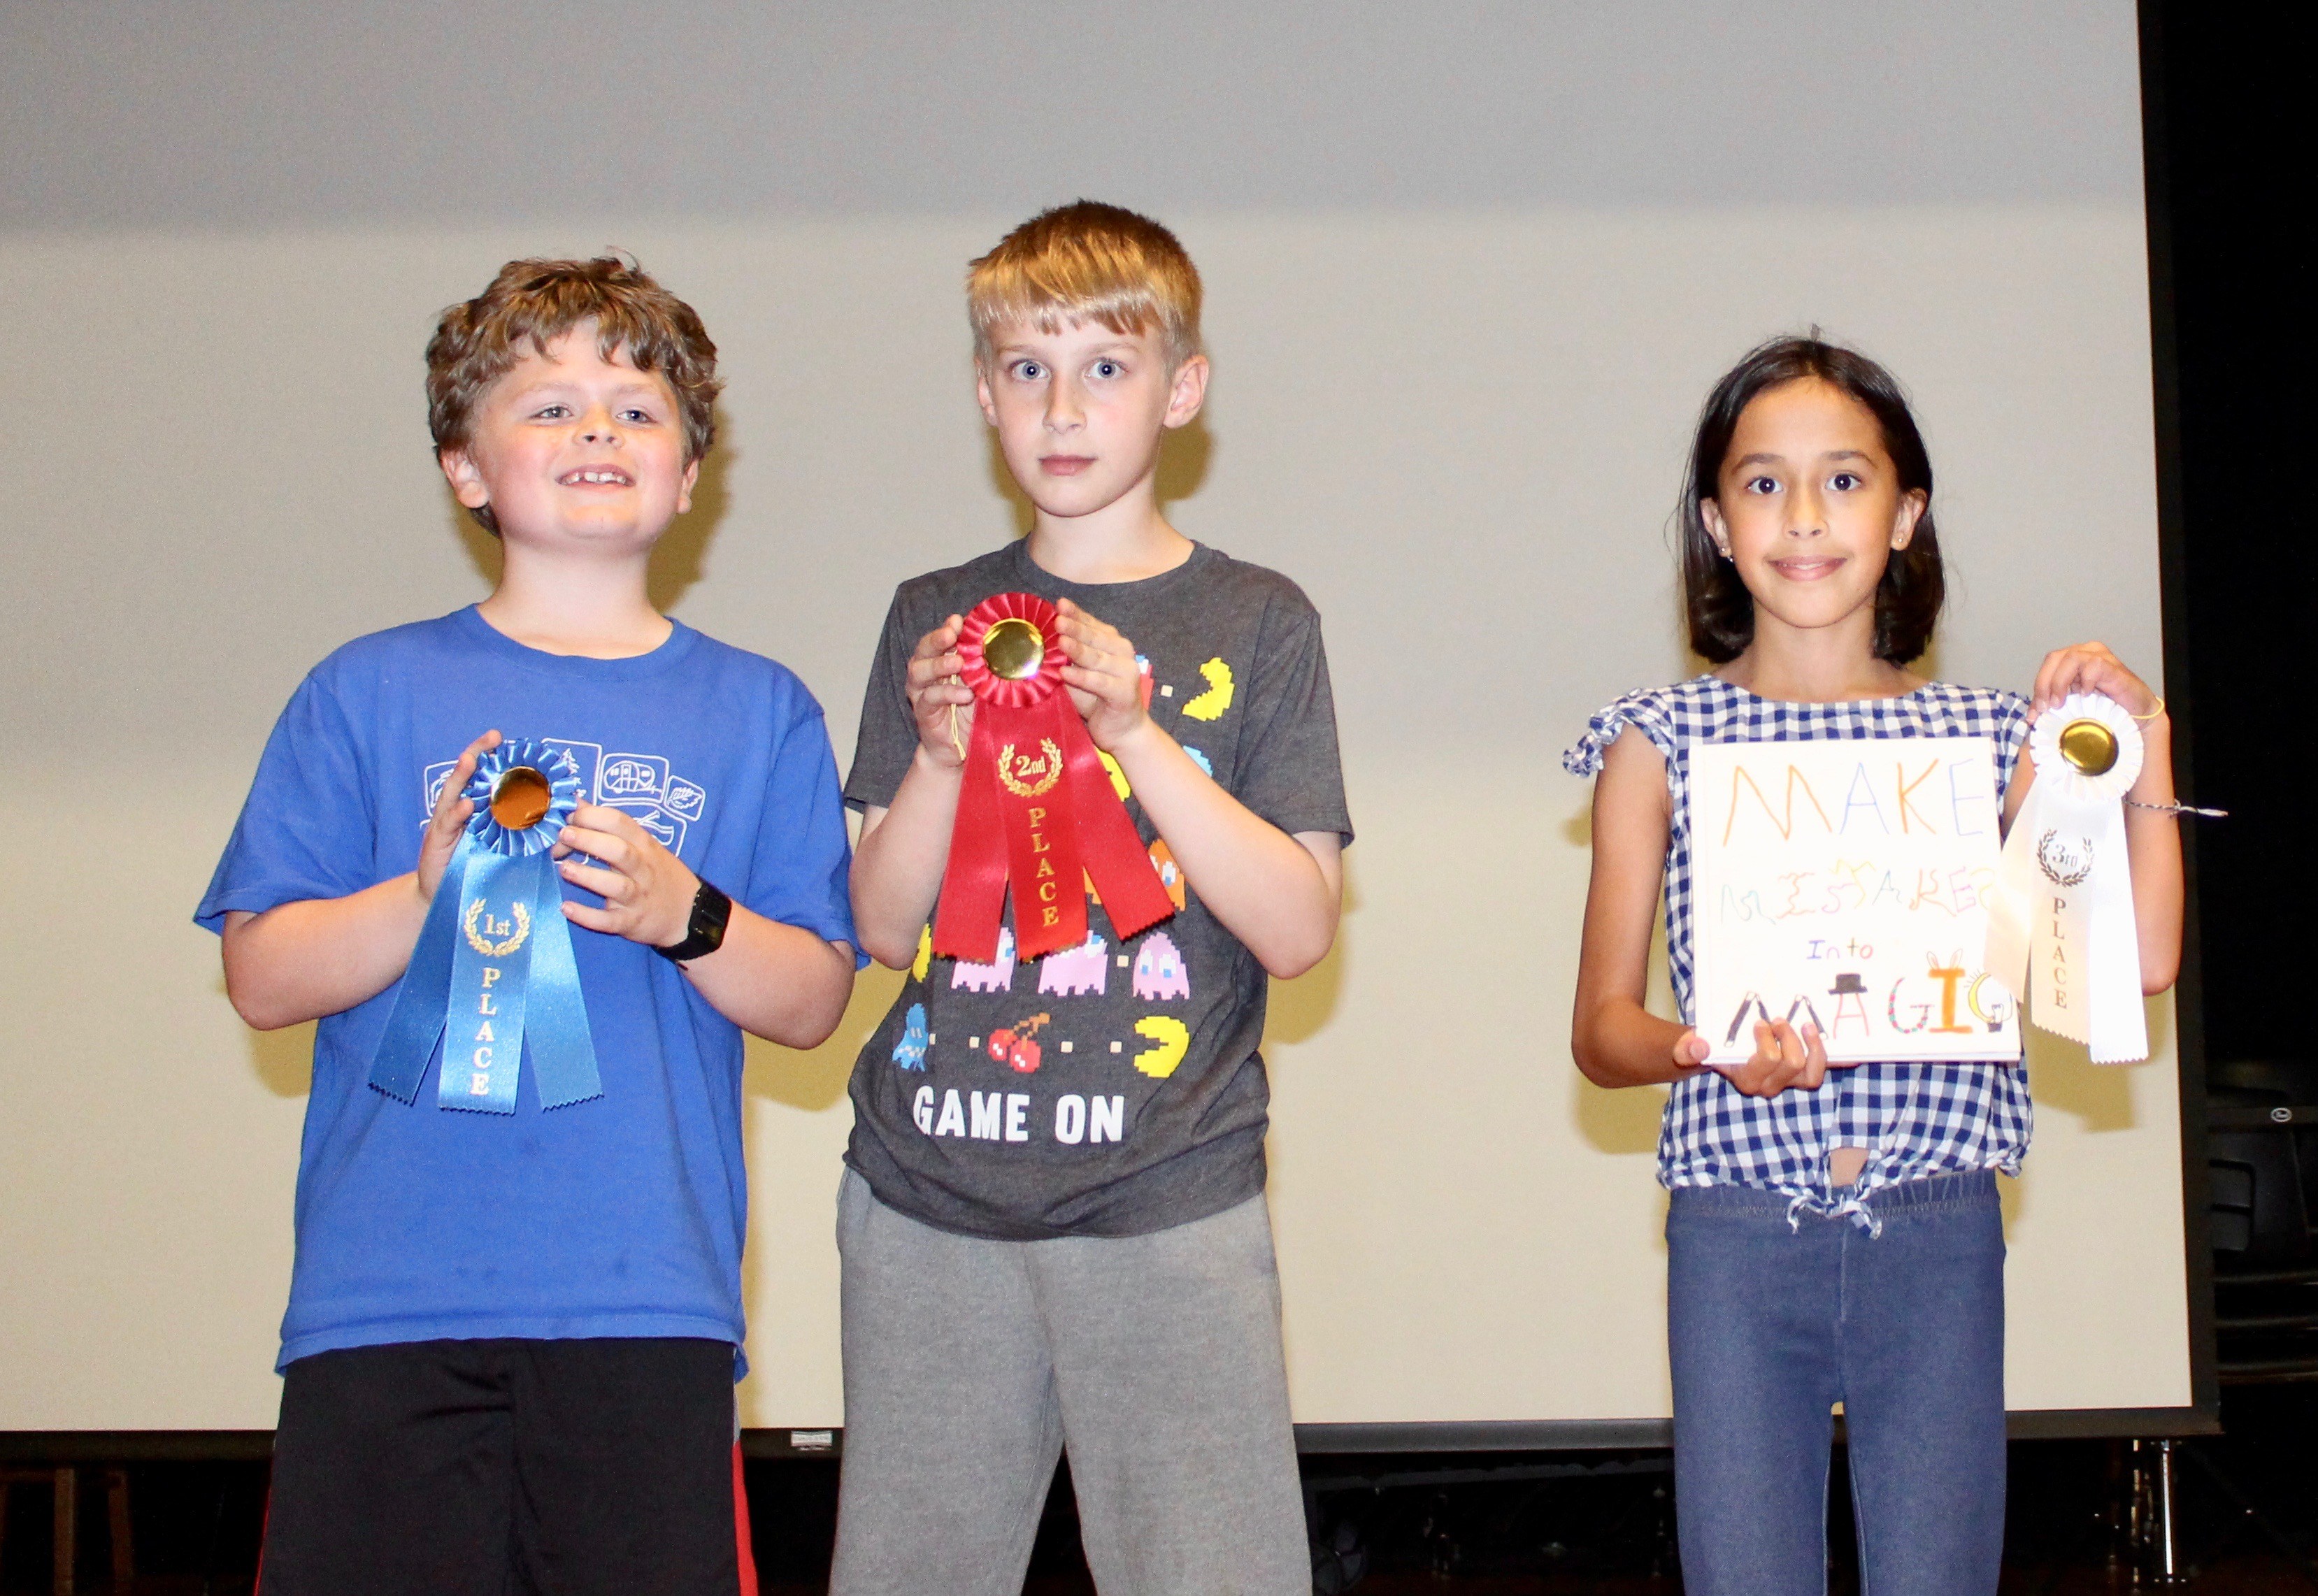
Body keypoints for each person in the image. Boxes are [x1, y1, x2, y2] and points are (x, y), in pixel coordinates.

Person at [195, 256, 859, 1596]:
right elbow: (263, 976)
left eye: (636, 408)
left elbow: (812, 1000)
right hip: (383, 1310)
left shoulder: (759, 708)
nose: (598, 431)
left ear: (688, 475)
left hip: (644, 1309)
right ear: (464, 468)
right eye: (548, 407)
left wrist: (690, 915)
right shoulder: (364, 692)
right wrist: (420, 895)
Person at [1565, 335, 2185, 1595]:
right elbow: (1600, 1030)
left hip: (1937, 1225)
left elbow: (2141, 963)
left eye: (1845, 482)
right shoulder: (1663, 738)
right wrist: (1699, 1049)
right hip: (1739, 1233)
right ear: (1714, 522)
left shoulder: (1991, 736)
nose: (1805, 518)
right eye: (1763, 483)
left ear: (1907, 515)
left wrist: (2143, 742)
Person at [831, 201, 1351, 1595]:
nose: (1062, 405)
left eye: (1106, 367)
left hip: (1166, 1197)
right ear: (982, 391)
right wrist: (941, 752)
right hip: (927, 1189)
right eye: (1024, 367)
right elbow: (881, 925)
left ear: (1181, 390)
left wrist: (1134, 732)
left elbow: (1298, 929)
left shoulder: (1256, 621)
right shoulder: (931, 610)